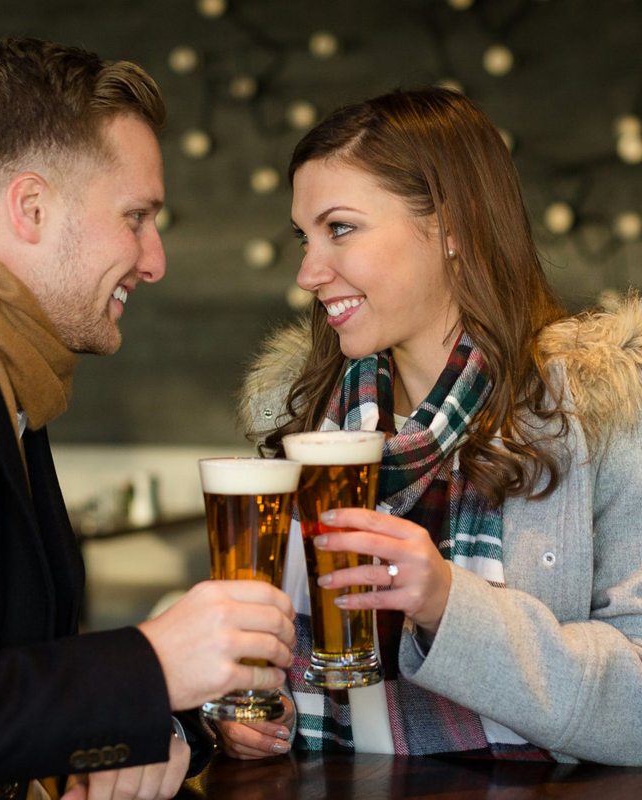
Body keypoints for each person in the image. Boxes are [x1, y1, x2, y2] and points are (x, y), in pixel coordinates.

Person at [0, 37, 296, 800]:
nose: (154, 261)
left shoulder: (10, 380)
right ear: (32, 207)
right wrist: (145, 667)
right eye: (136, 216)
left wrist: (176, 718)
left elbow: (13, 680)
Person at [218, 87, 642, 765]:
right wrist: (250, 715)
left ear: (452, 225)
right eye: (305, 236)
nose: (308, 271)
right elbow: (269, 667)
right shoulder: (302, 424)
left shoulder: (601, 416)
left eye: (341, 228)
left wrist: (448, 602)